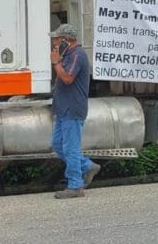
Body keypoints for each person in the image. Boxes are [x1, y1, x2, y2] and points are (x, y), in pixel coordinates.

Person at [49, 23, 100, 199]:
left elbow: (67, 78)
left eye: (57, 40)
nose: (54, 43)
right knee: (57, 145)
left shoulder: (77, 55)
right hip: (63, 109)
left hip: (72, 108)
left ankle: (75, 185)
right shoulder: (68, 55)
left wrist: (56, 62)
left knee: (70, 148)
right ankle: (86, 166)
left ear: (66, 40)